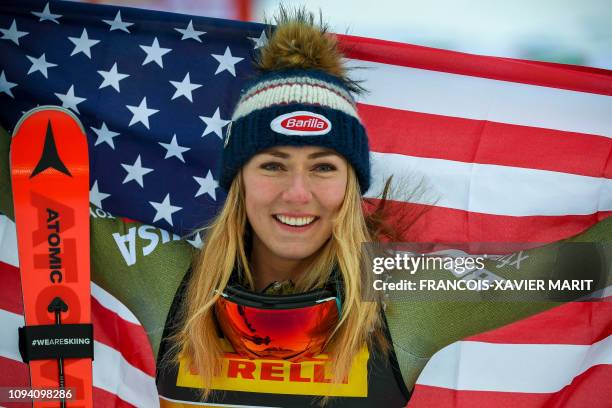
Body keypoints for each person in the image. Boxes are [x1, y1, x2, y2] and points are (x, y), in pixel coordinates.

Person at [0, 8, 609, 408]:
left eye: (324, 167)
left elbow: (585, 265)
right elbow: (25, 187)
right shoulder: (168, 279)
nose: (297, 194)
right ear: (237, 181)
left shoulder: (401, 294)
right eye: (271, 166)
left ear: (353, 184)